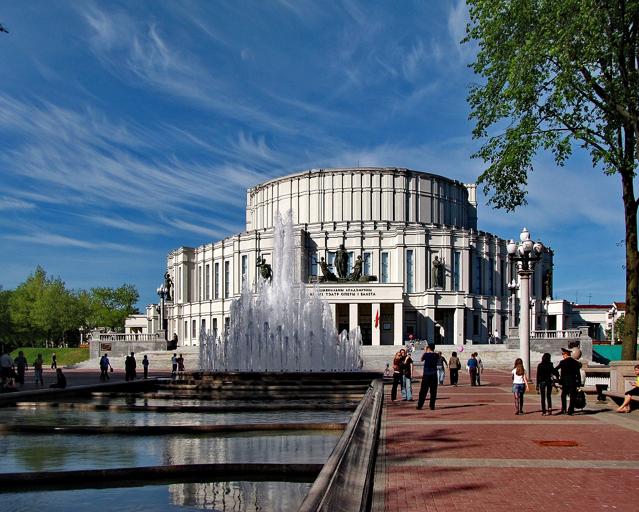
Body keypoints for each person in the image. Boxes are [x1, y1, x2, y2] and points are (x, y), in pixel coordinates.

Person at [555, 347, 582, 415]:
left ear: (566, 354)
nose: (562, 355)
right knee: (572, 396)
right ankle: (570, 410)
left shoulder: (562, 362)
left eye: (563, 354)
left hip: (565, 382)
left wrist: (558, 377)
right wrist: (579, 383)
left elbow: (555, 370)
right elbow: (578, 374)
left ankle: (563, 409)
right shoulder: (575, 362)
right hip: (573, 381)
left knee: (563, 395)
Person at [417, 343, 439, 410]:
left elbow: (421, 359)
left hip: (426, 374)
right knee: (433, 391)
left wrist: (425, 351)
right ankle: (432, 406)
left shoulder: (426, 354)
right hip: (434, 374)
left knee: (423, 391)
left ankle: (420, 405)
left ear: (428, 348)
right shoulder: (436, 355)